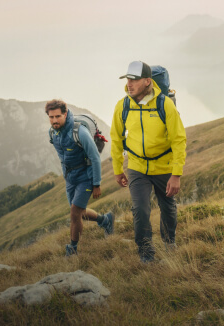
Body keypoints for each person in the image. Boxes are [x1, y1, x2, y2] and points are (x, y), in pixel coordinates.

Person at [110, 61, 187, 263]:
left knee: (168, 207)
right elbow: (116, 138)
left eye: (134, 80)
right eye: (128, 79)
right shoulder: (123, 105)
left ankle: (169, 242)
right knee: (140, 210)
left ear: (147, 81)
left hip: (163, 165)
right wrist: (118, 169)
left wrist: (176, 174)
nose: (129, 84)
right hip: (136, 166)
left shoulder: (165, 104)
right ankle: (146, 252)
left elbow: (179, 139)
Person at [46, 99, 114, 257]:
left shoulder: (79, 132)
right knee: (79, 212)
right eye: (51, 117)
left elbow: (95, 158)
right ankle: (105, 220)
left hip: (86, 177)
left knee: (75, 213)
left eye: (58, 116)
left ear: (65, 113)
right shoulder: (53, 133)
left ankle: (72, 248)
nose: (54, 120)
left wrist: (96, 184)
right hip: (70, 179)